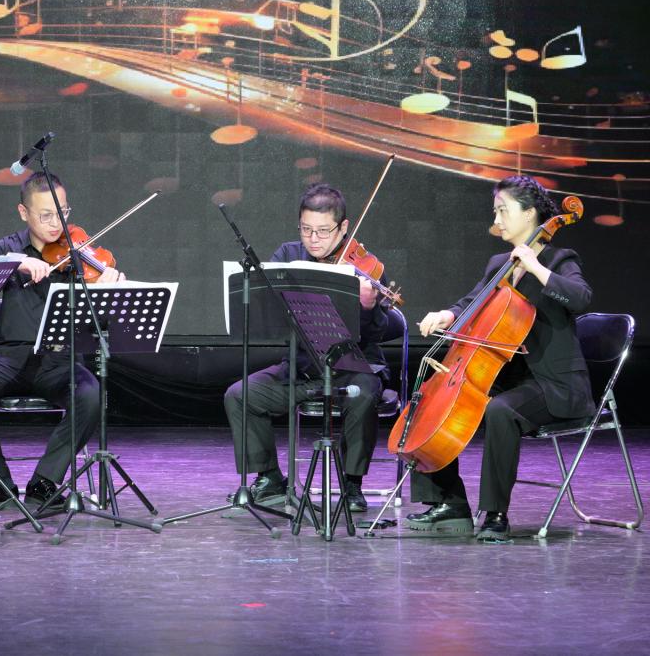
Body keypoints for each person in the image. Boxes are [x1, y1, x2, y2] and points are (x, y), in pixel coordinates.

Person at [407, 175, 594, 542]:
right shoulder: (499, 264)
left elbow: (581, 297)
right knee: (430, 399)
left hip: (554, 385)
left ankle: (495, 514)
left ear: (530, 213)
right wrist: (447, 314)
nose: (496, 219)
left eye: (503, 210)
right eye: (495, 211)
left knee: (500, 410)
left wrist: (537, 268)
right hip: (511, 378)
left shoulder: (559, 259)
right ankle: (449, 502)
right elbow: (472, 302)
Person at [0, 172, 124, 509]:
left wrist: (106, 293)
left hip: (60, 361)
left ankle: (45, 480)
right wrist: (16, 263)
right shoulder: (9, 247)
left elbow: (100, 325)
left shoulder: (80, 254)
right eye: (46, 215)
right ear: (24, 212)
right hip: (8, 358)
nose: (57, 224)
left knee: (91, 396)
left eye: (62, 212)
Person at [224, 183, 390, 512]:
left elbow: (381, 331)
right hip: (301, 369)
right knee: (240, 394)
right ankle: (270, 478)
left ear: (343, 227)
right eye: (306, 229)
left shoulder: (363, 267)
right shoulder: (288, 256)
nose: (313, 239)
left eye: (323, 231)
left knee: (364, 393)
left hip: (351, 370)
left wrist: (368, 307)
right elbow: (269, 308)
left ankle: (351, 485)